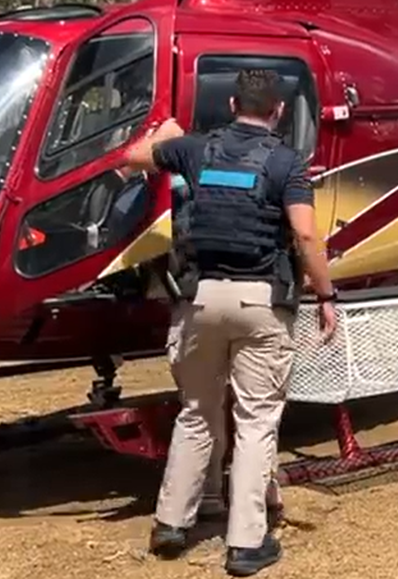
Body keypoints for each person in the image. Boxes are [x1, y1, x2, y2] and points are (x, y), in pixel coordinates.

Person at [121, 68, 337, 576]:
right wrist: (326, 294)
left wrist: (164, 134)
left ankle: (170, 524)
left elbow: (132, 158)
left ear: (233, 104)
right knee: (256, 421)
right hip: (261, 305)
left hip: (199, 301)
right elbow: (306, 238)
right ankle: (245, 544)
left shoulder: (194, 150)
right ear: (278, 111)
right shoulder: (288, 163)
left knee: (196, 412)